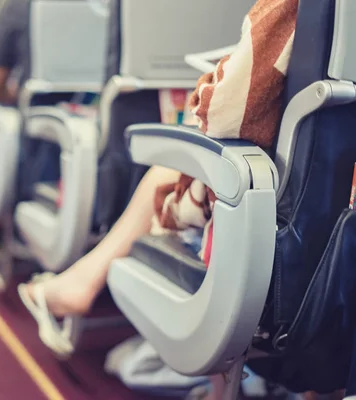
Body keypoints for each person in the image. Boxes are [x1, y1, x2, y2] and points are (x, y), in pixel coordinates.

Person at [18, 0, 300, 398]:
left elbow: (227, 111)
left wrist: (206, 84)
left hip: (274, 218)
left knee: (172, 168)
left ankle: (80, 282)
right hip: (336, 216)